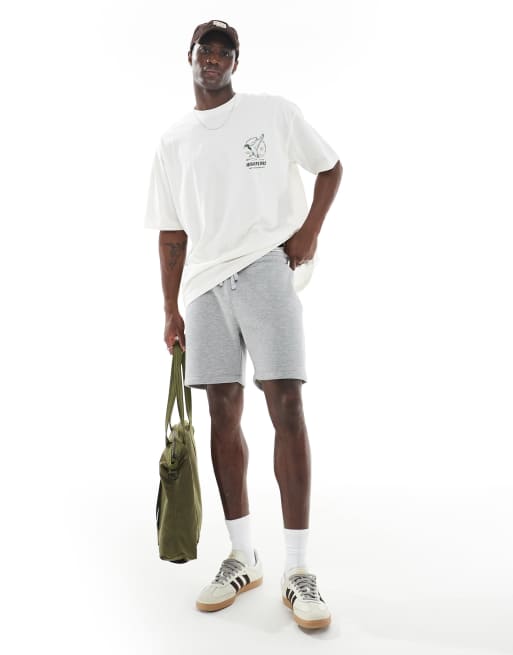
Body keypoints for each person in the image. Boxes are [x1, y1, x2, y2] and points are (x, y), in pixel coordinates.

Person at [144, 19, 342, 630]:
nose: (213, 58)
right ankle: (242, 556)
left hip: (264, 267)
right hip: (203, 287)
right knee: (222, 415)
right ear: (189, 57)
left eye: (224, 52)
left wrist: (308, 233)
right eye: (204, 50)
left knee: (287, 405)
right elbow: (172, 233)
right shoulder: (173, 141)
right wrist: (170, 308)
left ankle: (298, 570)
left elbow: (330, 166)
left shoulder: (271, 113)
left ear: (236, 62)